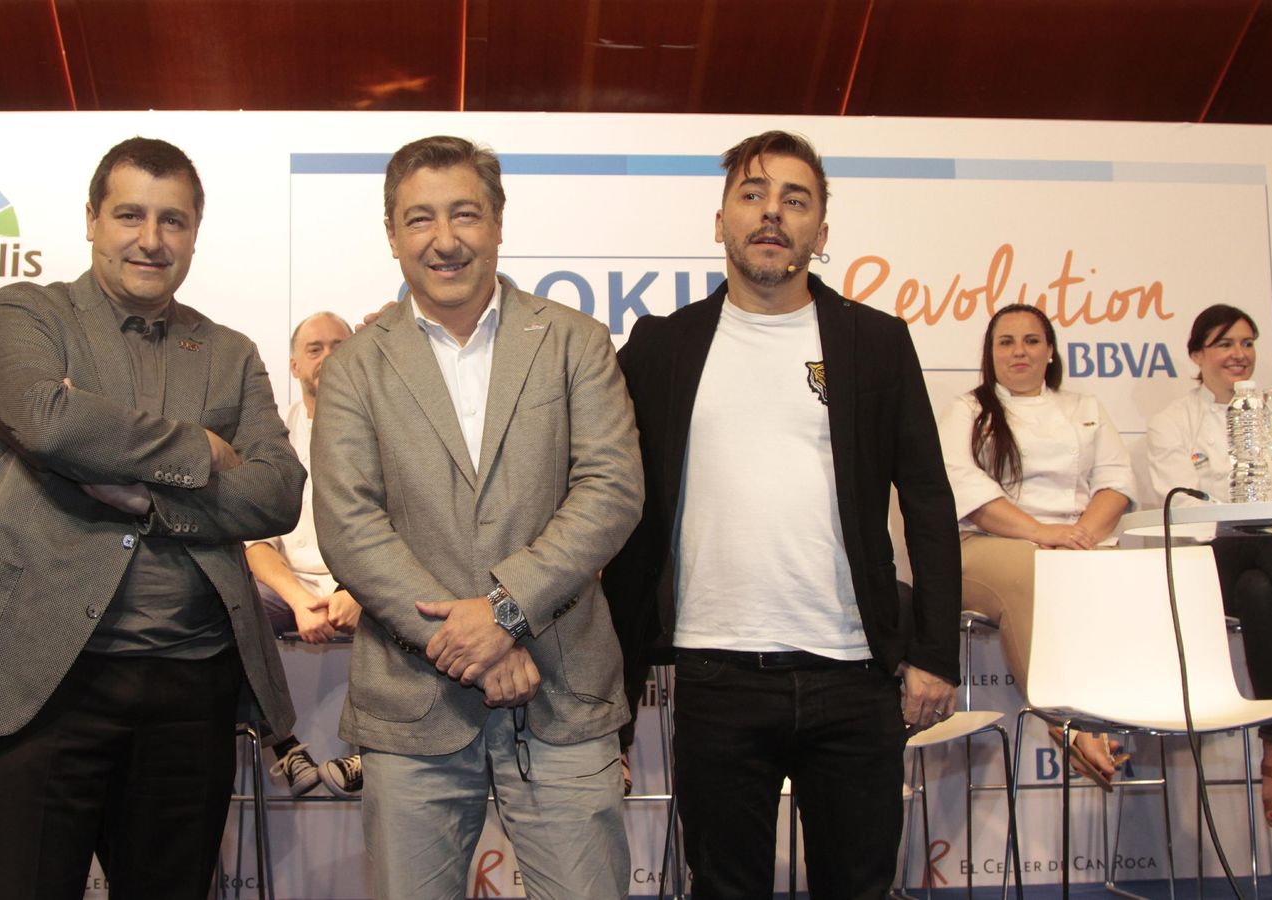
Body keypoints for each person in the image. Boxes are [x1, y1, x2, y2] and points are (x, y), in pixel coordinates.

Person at [0, 137, 305, 900]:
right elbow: (48, 422)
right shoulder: (27, 312)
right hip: (42, 677)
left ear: (195, 231)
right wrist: (201, 450)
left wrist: (147, 495)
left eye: (173, 221)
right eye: (129, 215)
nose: (151, 239)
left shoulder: (229, 351)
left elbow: (278, 492)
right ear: (91, 219)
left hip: (193, 686)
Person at [603, 130, 961, 899]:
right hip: (715, 674)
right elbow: (614, 508)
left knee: (859, 888)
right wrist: (617, 696)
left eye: (795, 200)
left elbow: (929, 499)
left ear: (821, 232)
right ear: (721, 219)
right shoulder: (661, 347)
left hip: (855, 676)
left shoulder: (876, 342)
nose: (773, 214)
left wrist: (935, 651)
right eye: (753, 194)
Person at [311, 135, 643, 900]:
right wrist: (470, 643)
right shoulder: (356, 366)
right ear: (392, 234)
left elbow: (611, 490)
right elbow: (348, 524)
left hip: (565, 693)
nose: (445, 239)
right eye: (420, 219)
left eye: (465, 213)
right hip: (411, 706)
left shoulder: (575, 342)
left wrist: (503, 611)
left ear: (498, 222)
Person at [937, 302, 1136, 789]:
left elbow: (1115, 482)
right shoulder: (968, 409)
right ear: (991, 354)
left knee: (1146, 574)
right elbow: (964, 489)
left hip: (1076, 543)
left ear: (1050, 351)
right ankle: (1066, 721)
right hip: (986, 546)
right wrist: (1043, 534)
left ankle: (1121, 719)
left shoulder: (1083, 407)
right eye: (1006, 342)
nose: (1019, 351)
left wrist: (1079, 537)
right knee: (1033, 565)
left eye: (1031, 341)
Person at [1145, 304, 1272, 828]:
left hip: (1270, 571)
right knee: (1258, 541)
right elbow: (1179, 506)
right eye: (1225, 344)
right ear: (1197, 355)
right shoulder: (1174, 421)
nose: (1239, 354)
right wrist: (1247, 515)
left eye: (1247, 342)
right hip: (1211, 563)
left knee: (1262, 588)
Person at [247, 310, 363, 797]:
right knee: (224, 599)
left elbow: (405, 533)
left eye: (340, 345)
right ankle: (285, 746)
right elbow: (256, 544)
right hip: (289, 588)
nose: (329, 357)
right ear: (294, 366)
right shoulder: (272, 441)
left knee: (418, 595)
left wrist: (356, 589)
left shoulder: (386, 430)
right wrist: (296, 598)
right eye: (316, 349)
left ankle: (367, 750)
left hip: (362, 587)